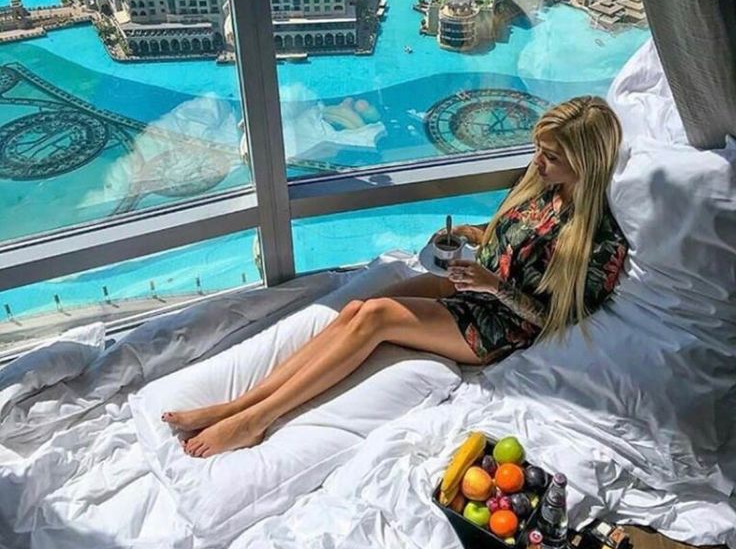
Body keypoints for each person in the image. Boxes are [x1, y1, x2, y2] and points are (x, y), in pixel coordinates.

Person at [163, 95, 628, 457]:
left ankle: (257, 419)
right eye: (538, 150)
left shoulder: (600, 243)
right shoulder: (544, 187)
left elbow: (552, 318)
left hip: (499, 325)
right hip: (469, 286)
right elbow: (512, 237)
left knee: (377, 317)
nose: (537, 162)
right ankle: (238, 404)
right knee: (355, 310)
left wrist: (495, 286)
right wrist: (477, 232)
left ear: (585, 161)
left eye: (550, 156)